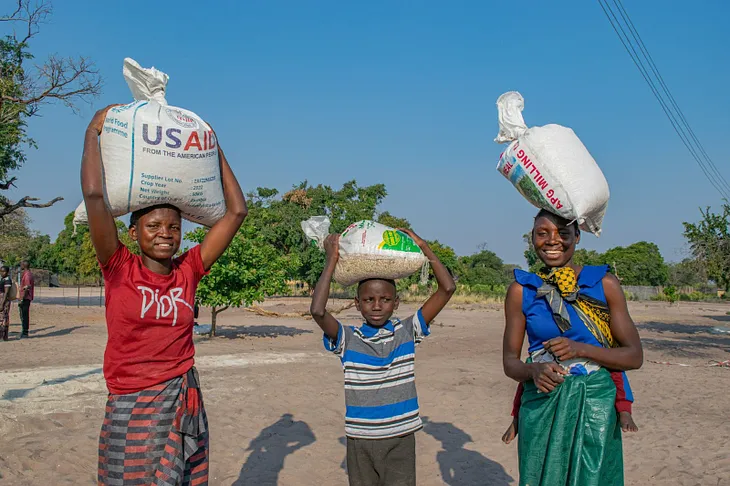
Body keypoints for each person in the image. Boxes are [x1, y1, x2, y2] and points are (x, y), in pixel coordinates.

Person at [82, 105, 247, 485]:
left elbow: (236, 212)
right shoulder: (119, 266)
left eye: (174, 227)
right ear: (134, 232)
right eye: (153, 225)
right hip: (131, 403)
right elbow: (94, 194)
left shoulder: (189, 269)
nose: (165, 234)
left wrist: (213, 150)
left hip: (182, 399)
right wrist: (93, 131)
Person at [502, 209, 643, 486]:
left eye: (563, 233)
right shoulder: (521, 291)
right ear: (532, 239)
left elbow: (634, 356)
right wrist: (534, 370)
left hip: (596, 405)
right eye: (542, 233)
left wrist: (581, 349)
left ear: (577, 237)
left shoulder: (603, 284)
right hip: (542, 401)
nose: (552, 240)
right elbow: (510, 362)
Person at [311, 229, 456, 486]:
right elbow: (318, 311)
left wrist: (423, 247)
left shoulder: (407, 332)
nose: (377, 306)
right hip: (360, 440)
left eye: (385, 299)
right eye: (368, 300)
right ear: (357, 303)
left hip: (401, 438)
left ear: (396, 303)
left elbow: (447, 288)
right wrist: (331, 259)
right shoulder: (348, 338)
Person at [502, 367, 637, 445]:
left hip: (590, 383)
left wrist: (624, 409)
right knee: (531, 378)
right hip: (550, 371)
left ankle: (624, 411)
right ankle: (516, 420)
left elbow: (619, 375)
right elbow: (524, 384)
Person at [18, 260, 34, 338]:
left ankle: (25, 332)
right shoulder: (27, 274)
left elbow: (27, 287)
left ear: (24, 265)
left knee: (24, 315)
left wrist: (22, 299)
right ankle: (24, 331)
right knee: (23, 315)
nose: (20, 266)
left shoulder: (27, 275)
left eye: (21, 264)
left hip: (25, 298)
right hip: (25, 297)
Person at [0, 266, 12, 341]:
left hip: (4, 301)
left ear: (7, 272)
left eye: (3, 271)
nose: (2, 273)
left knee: (4, 318)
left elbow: (6, 293)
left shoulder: (7, 280)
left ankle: (3, 336)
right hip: (2, 300)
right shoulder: (3, 279)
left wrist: (2, 304)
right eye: (1, 271)